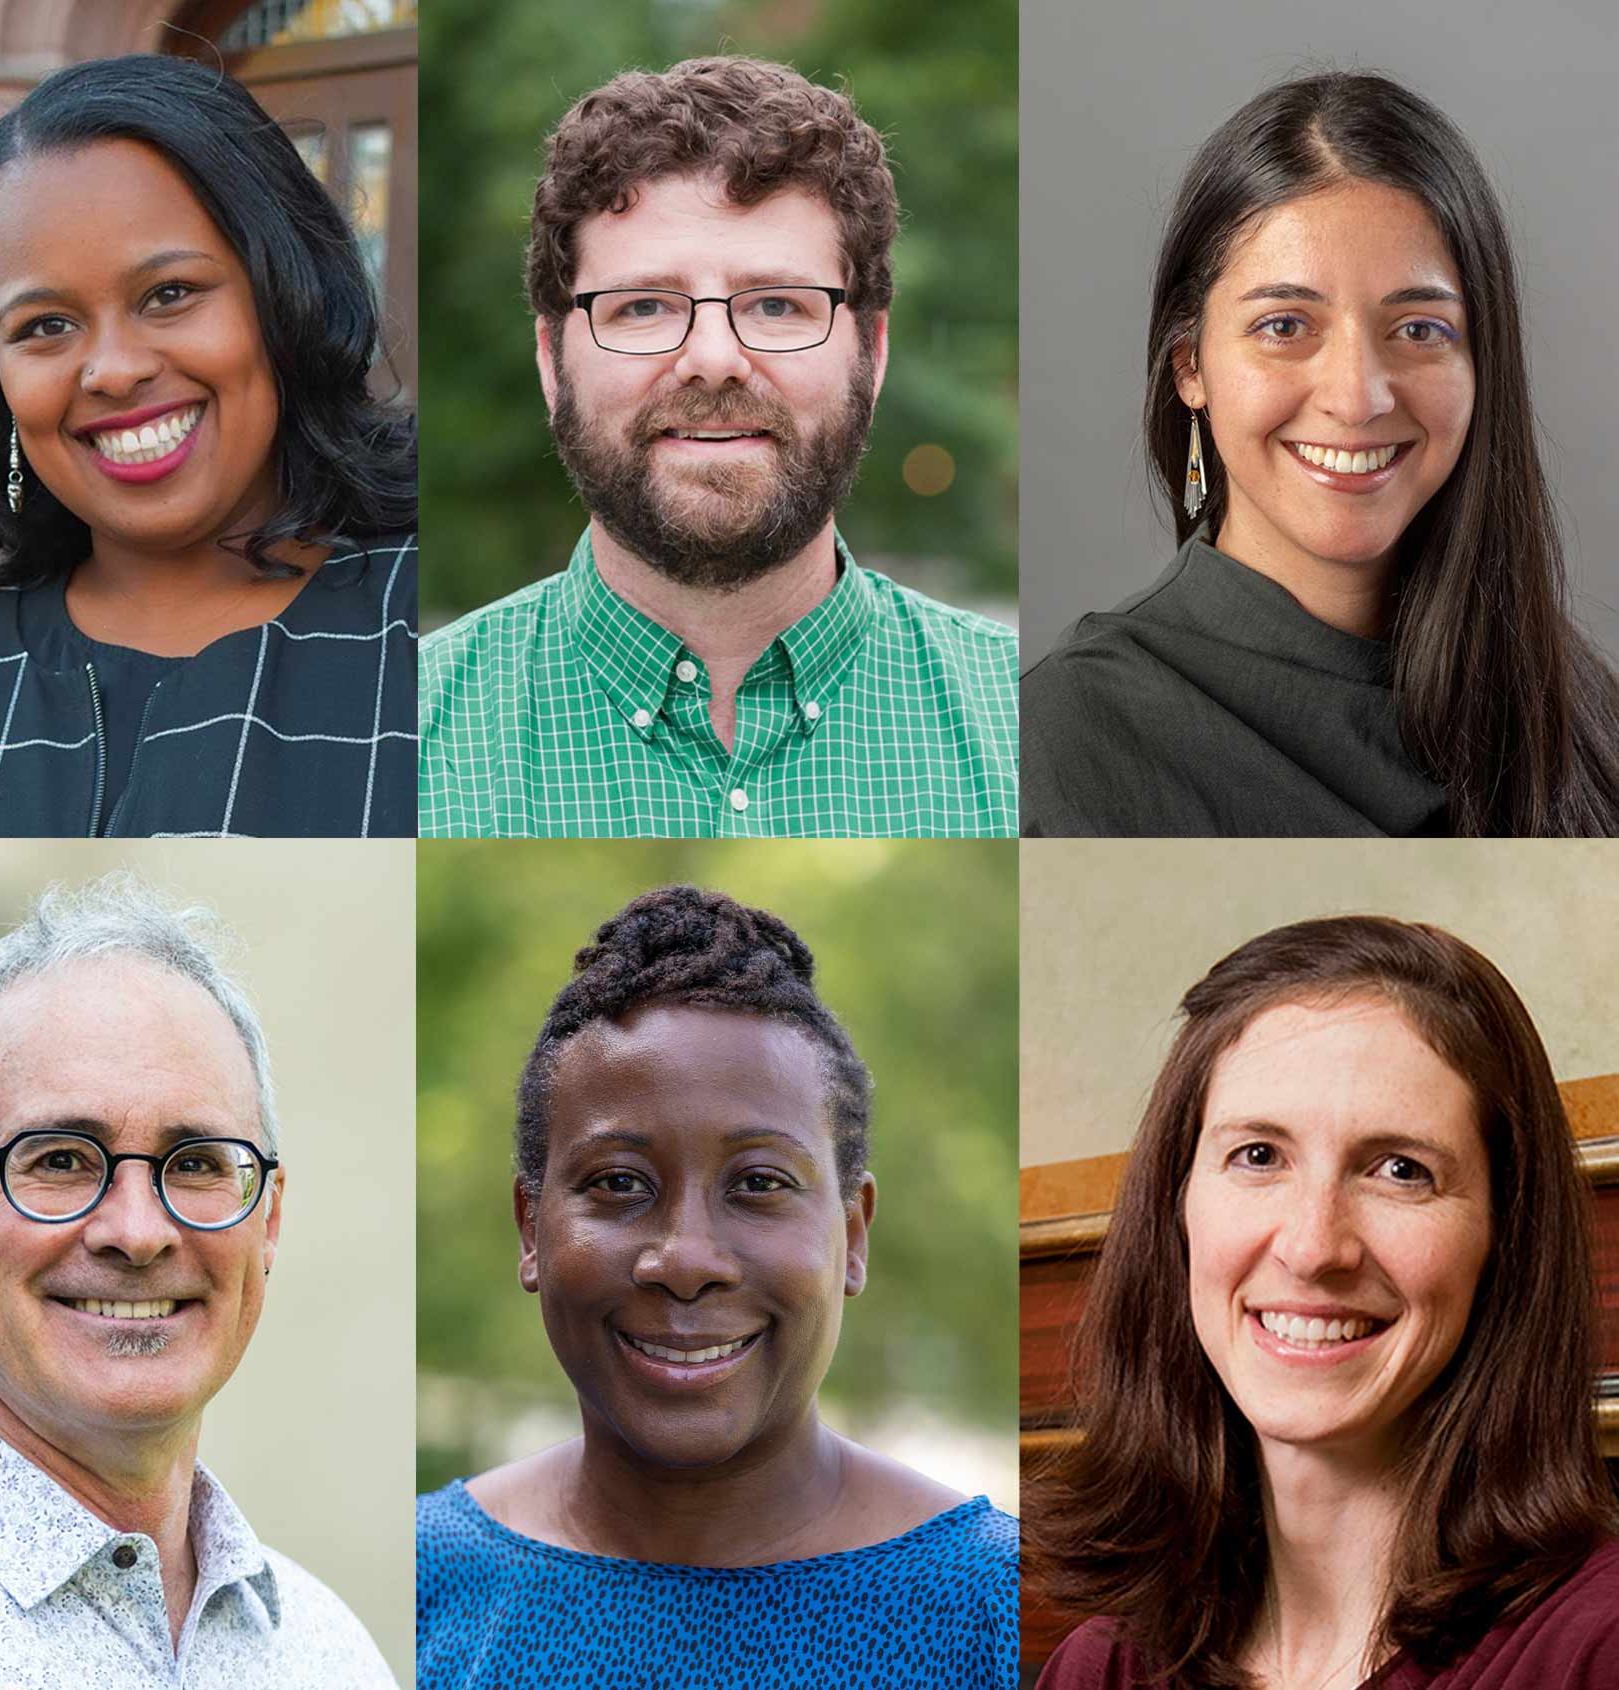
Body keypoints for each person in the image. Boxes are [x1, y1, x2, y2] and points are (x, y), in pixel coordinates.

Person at [418, 886, 1016, 1688]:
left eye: (760, 1182)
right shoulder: (418, 1584)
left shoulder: (999, 1609)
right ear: (531, 1229)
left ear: (853, 1233)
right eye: (620, 1183)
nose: (687, 1258)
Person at [0, 54, 418, 839]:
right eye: (45, 326)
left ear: (284, 300)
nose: (114, 370)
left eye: (169, 295)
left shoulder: (431, 640)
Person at [0, 876, 395, 1684]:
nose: (136, 1232)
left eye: (193, 1164)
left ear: (266, 1220)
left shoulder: (332, 1657)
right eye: (58, 1159)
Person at [419, 57, 1017, 839]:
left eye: (774, 304)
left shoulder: (1024, 721)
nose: (711, 357)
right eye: (641, 307)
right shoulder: (407, 729)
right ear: (549, 360)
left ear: (871, 350)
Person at [1021, 73, 1619, 837]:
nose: (1356, 396)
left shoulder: (1581, 711)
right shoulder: (1067, 740)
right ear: (1189, 366)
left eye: (1417, 330)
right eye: (1283, 326)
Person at [1030, 916, 1619, 1686]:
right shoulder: (1102, 1665)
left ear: (1503, 1233)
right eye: (1257, 1156)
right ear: (1175, 1207)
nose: (1312, 1247)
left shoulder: (1596, 1648)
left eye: (1401, 1170)